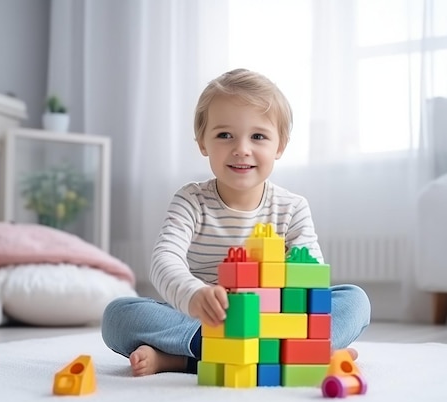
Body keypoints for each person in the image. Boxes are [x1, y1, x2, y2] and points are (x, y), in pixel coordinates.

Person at [101, 68, 371, 377]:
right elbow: (164, 260)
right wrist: (194, 295)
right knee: (118, 315)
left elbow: (313, 284)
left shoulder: (292, 208)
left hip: (274, 324)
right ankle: (293, 356)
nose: (242, 148)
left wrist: (278, 291)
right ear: (202, 142)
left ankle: (185, 360)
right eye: (224, 135)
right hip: (207, 321)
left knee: (355, 300)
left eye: (258, 136)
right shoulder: (191, 201)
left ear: (279, 146)